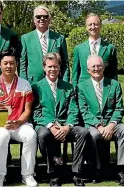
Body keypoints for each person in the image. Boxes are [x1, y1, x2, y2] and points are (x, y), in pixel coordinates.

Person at [32, 53, 89, 186]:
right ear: (44, 68)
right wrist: (51, 125)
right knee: (42, 135)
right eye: (50, 67)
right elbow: (36, 112)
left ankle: (76, 173)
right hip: (45, 125)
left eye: (56, 67)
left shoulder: (68, 87)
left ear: (60, 68)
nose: (53, 70)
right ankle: (53, 173)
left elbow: (73, 110)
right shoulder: (36, 87)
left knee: (83, 132)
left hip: (65, 124)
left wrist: (67, 126)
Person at [0, 48, 38, 187]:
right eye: (5, 63)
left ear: (16, 64)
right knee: (2, 136)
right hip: (1, 124)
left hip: (20, 124)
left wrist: (19, 122)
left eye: (12, 63)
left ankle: (27, 175)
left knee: (31, 135)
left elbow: (28, 110)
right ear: (0, 65)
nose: (9, 66)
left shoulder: (25, 84)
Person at [77, 55, 124, 186]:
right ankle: (97, 170)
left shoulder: (114, 84)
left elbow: (119, 108)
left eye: (99, 65)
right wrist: (99, 126)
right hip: (94, 124)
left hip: (112, 123)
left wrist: (111, 125)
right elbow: (84, 111)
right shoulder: (82, 86)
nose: (96, 68)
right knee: (93, 134)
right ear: (88, 69)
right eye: (93, 66)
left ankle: (123, 170)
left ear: (104, 67)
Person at [20, 5, 70, 85]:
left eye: (45, 16)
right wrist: (23, 84)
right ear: (34, 20)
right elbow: (22, 64)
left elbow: (65, 64)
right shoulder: (26, 38)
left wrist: (65, 83)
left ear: (49, 19)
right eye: (38, 17)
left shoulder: (59, 38)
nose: (42, 19)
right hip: (33, 83)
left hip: (55, 83)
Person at [72, 13, 118, 87]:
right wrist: (74, 93)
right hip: (84, 90)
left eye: (95, 24)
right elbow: (75, 73)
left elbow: (113, 74)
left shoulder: (110, 48)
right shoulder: (79, 49)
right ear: (86, 27)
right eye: (90, 24)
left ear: (100, 26)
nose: (93, 27)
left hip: (104, 88)